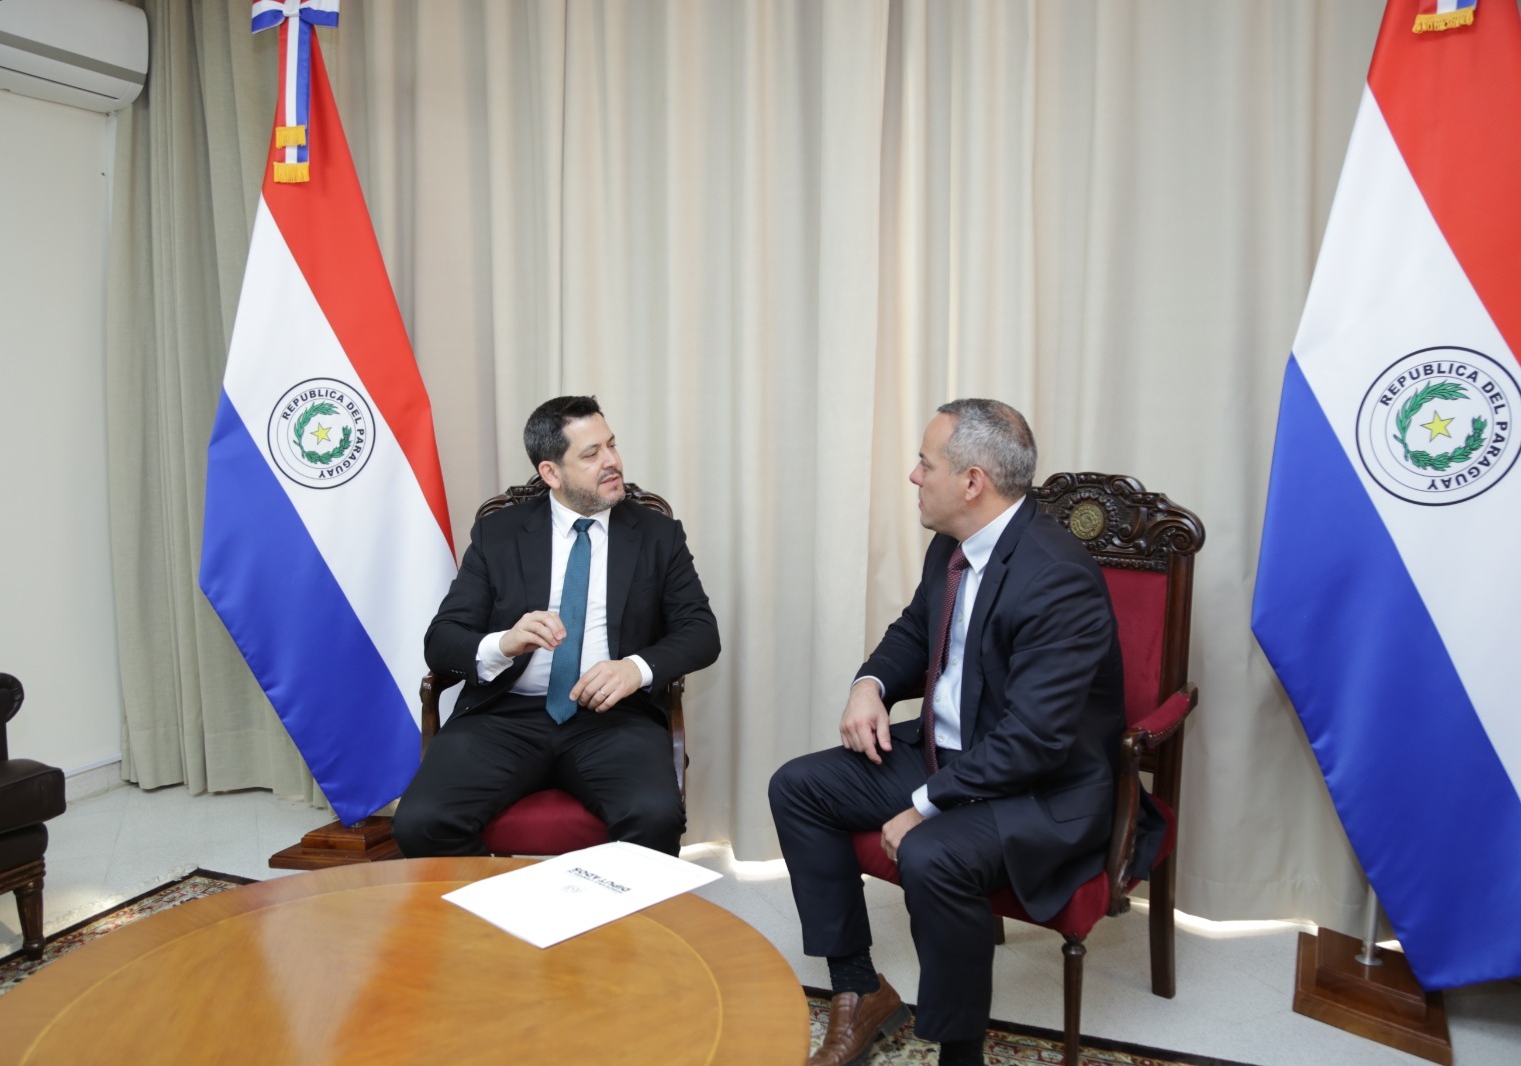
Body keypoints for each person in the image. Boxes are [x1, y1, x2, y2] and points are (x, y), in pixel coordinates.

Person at [769, 399, 1161, 1066]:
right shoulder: (952, 543)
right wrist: (870, 684)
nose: (914, 477)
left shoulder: (1055, 577)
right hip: (949, 753)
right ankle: (858, 988)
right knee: (799, 787)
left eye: (926, 463)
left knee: (930, 853)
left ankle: (960, 1050)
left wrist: (922, 805)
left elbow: (1035, 740)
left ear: (972, 481)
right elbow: (916, 630)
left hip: (1042, 788)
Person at [393, 396, 720, 858]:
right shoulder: (499, 534)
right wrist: (504, 644)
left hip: (612, 719)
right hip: (505, 715)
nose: (612, 462)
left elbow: (701, 632)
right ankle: (499, 919)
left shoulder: (657, 535)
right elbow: (442, 640)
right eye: (591, 455)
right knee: (421, 823)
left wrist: (635, 669)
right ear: (551, 472)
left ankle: (615, 927)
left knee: (655, 816)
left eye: (611, 445)